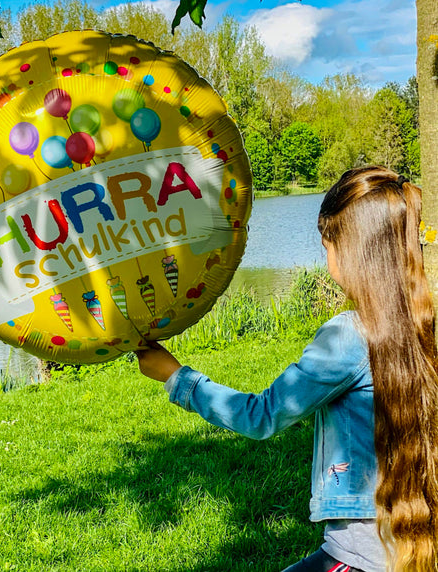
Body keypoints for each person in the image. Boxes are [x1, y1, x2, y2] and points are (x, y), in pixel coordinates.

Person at [136, 166, 438, 572]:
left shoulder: (348, 337)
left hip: (360, 557)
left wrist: (177, 377)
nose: (325, 256)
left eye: (327, 245)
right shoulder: (423, 326)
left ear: (350, 251)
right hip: (408, 546)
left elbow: (262, 416)